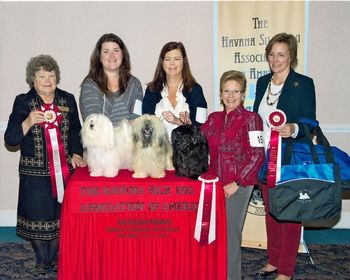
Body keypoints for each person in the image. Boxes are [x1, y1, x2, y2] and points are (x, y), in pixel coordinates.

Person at [4, 54, 86, 276]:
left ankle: (56, 258)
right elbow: (11, 139)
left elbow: (77, 132)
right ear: (33, 79)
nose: (48, 80)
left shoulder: (67, 100)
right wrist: (29, 121)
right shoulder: (23, 101)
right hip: (34, 173)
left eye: (51, 75)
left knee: (60, 216)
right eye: (42, 76)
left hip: (65, 172)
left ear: (57, 77)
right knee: (37, 217)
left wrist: (77, 153)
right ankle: (42, 258)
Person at [253, 33, 316, 280]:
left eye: (281, 54)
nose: (275, 59)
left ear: (291, 56)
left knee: (290, 214)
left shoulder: (304, 83)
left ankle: (286, 270)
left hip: (290, 158)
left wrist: (294, 128)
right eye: (271, 54)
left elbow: (310, 122)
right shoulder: (261, 82)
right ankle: (273, 260)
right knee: (272, 212)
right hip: (265, 158)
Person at [201, 70, 265, 280]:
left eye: (236, 91)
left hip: (239, 186)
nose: (231, 96)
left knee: (230, 238)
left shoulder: (252, 119)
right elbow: (197, 142)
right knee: (214, 237)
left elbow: (258, 157)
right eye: (227, 91)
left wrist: (237, 183)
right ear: (220, 94)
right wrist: (180, 121)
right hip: (215, 186)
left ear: (243, 94)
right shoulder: (213, 119)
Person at [142, 41, 207, 138]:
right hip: (159, 150)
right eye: (167, 59)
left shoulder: (195, 90)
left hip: (188, 151)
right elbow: (146, 124)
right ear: (162, 62)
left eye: (176, 59)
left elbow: (201, 125)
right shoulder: (152, 90)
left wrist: (183, 122)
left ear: (184, 61)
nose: (172, 63)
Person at [80, 33, 143, 125]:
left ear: (123, 55)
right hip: (100, 139)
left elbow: (136, 119)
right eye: (106, 51)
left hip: (128, 138)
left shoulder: (135, 84)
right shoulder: (90, 85)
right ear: (100, 58)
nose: (112, 55)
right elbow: (93, 122)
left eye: (116, 50)